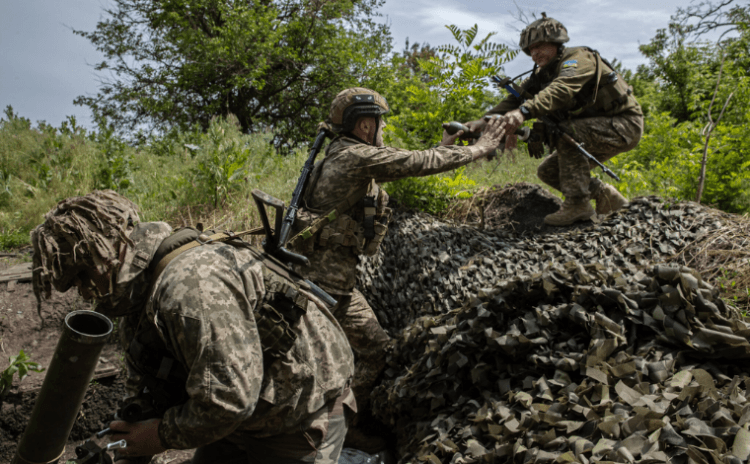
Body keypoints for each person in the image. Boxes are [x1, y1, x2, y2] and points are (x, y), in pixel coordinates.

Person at [31, 190, 355, 464]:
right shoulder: (139, 293)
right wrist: (132, 435)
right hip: (245, 411)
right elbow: (145, 383)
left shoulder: (190, 288)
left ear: (109, 251)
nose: (85, 292)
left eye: (84, 276)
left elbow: (230, 400)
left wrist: (158, 436)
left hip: (302, 413)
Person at [287, 87, 506, 450]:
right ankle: (302, 436)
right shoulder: (354, 156)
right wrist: (477, 149)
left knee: (376, 350)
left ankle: (345, 426)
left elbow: (406, 159)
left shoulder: (350, 154)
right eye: (380, 122)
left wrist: (445, 145)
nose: (383, 128)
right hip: (320, 288)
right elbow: (416, 163)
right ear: (364, 125)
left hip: (337, 285)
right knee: (311, 363)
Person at [465, 13, 644, 226]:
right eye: (530, 50)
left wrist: (524, 112)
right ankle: (605, 195)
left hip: (624, 124)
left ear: (556, 43)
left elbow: (560, 90)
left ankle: (578, 204)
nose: (535, 54)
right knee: (549, 171)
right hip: (598, 129)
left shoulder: (578, 59)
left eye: (539, 46)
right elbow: (511, 102)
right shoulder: (542, 76)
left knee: (568, 130)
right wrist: (481, 122)